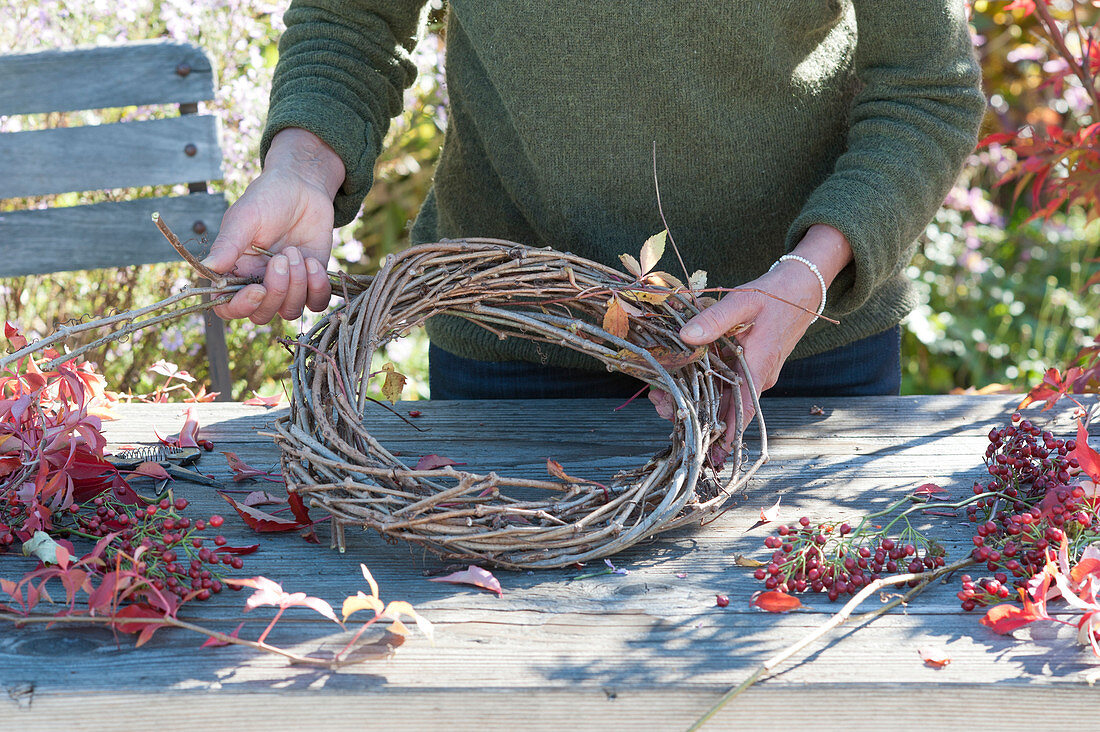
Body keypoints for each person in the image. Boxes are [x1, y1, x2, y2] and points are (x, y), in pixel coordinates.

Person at [202, 0, 985, 435]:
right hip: (514, 349)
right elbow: (355, 20)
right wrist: (303, 166)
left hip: (796, 345)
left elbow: (927, 86)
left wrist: (811, 270)